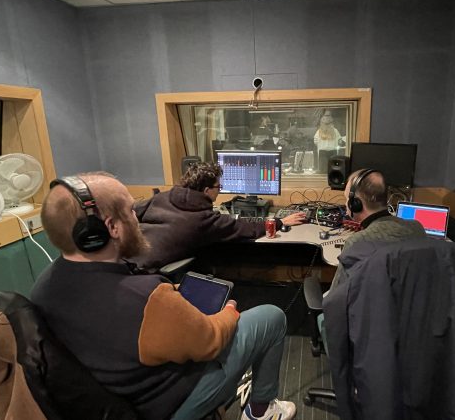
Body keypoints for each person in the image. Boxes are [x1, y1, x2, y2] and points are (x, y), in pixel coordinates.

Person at [30, 172, 297, 420]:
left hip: (110, 401)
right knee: (271, 317)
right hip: (164, 406)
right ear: (110, 228)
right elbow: (212, 341)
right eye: (131, 212)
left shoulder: (42, 287)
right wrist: (230, 311)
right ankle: (262, 411)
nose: (138, 220)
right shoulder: (147, 298)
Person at [134, 162, 306, 270]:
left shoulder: (160, 197)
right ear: (207, 191)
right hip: (150, 271)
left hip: (127, 259)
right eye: (218, 187)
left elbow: (131, 212)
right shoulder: (204, 219)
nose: (220, 189)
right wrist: (280, 220)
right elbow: (246, 227)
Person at [330, 168, 426, 290]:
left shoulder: (357, 242)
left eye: (347, 199)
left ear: (356, 203)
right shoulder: (417, 228)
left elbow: (336, 295)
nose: (345, 204)